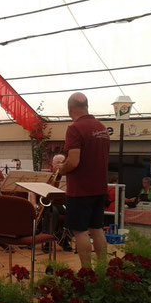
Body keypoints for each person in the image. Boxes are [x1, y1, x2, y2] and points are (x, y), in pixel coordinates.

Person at [58, 92, 110, 268]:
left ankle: (87, 273)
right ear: (87, 106)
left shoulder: (75, 129)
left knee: (80, 232)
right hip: (100, 188)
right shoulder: (102, 128)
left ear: (69, 109)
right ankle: (102, 270)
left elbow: (73, 161)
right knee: (97, 229)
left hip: (80, 190)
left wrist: (61, 168)